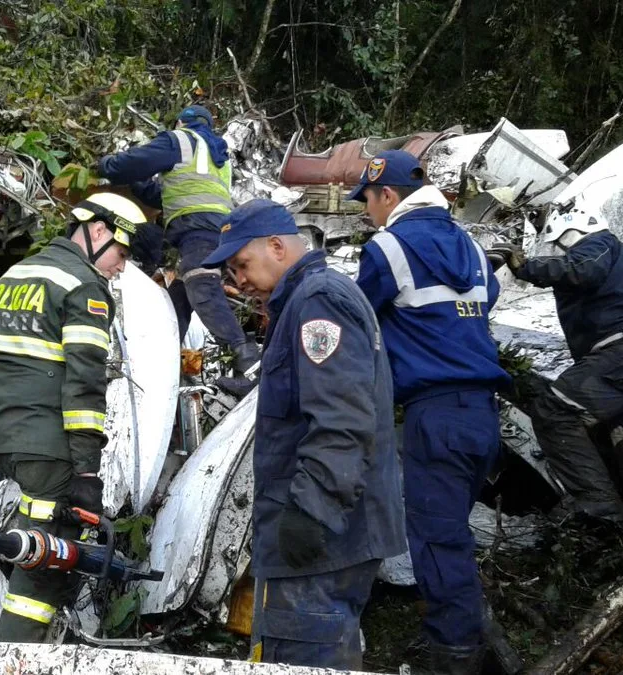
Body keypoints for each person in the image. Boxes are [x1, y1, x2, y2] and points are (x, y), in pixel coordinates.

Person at [199, 199, 405, 670]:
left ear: (277, 246)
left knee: (303, 657)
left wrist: (311, 512)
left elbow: (341, 418)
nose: (238, 280)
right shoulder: (304, 299)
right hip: (329, 531)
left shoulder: (318, 301)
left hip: (325, 536)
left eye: (241, 264)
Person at [350, 150, 510, 674]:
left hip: (435, 415)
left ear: (387, 195)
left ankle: (454, 656)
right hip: (483, 417)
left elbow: (350, 317)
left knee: (438, 542)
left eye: (367, 201)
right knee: (452, 533)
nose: (366, 212)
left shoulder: (388, 247)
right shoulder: (470, 246)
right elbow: (485, 300)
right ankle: (472, 636)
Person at [0, 192, 154, 643]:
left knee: (34, 542)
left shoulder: (16, 274)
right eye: (121, 252)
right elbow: (84, 388)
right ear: (97, 231)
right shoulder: (83, 286)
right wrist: (88, 472)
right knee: (48, 563)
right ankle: (13, 657)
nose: (121, 266)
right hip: (44, 441)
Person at [496, 203, 623, 525]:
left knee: (555, 409)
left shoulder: (598, 244)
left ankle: (599, 508)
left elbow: (582, 269)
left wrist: (527, 267)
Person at [97, 104, 258, 395]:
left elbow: (131, 163)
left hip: (198, 231)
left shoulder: (181, 140)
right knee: (177, 301)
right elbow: (169, 195)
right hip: (214, 232)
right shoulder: (218, 156)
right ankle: (162, 364)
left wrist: (108, 164)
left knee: (201, 290)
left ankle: (251, 366)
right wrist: (138, 184)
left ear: (183, 122)